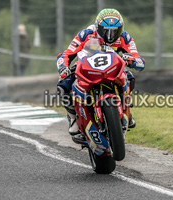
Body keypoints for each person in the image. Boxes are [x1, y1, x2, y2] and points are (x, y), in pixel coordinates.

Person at [56, 8, 145, 141]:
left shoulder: (125, 37)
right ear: (98, 28)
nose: (110, 35)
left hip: (113, 67)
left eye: (115, 30)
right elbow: (67, 54)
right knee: (63, 86)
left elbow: (139, 60)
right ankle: (73, 117)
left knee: (130, 77)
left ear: (120, 29)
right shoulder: (85, 34)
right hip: (88, 66)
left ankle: (126, 108)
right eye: (106, 30)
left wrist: (131, 60)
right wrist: (63, 67)